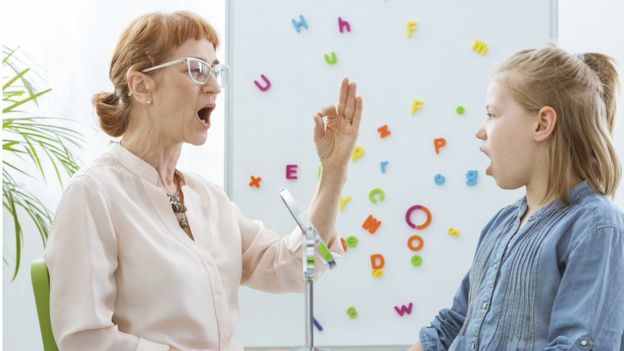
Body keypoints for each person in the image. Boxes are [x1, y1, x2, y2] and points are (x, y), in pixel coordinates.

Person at [44, 10, 363, 351]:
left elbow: (297, 266)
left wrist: (333, 172)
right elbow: (84, 340)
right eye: (196, 69)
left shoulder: (207, 198)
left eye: (215, 71)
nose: (213, 86)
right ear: (141, 85)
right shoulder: (94, 194)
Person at [409, 45, 624, 350]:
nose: (480, 132)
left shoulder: (596, 227)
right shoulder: (501, 224)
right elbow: (453, 324)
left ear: (542, 124)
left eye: (492, 114)